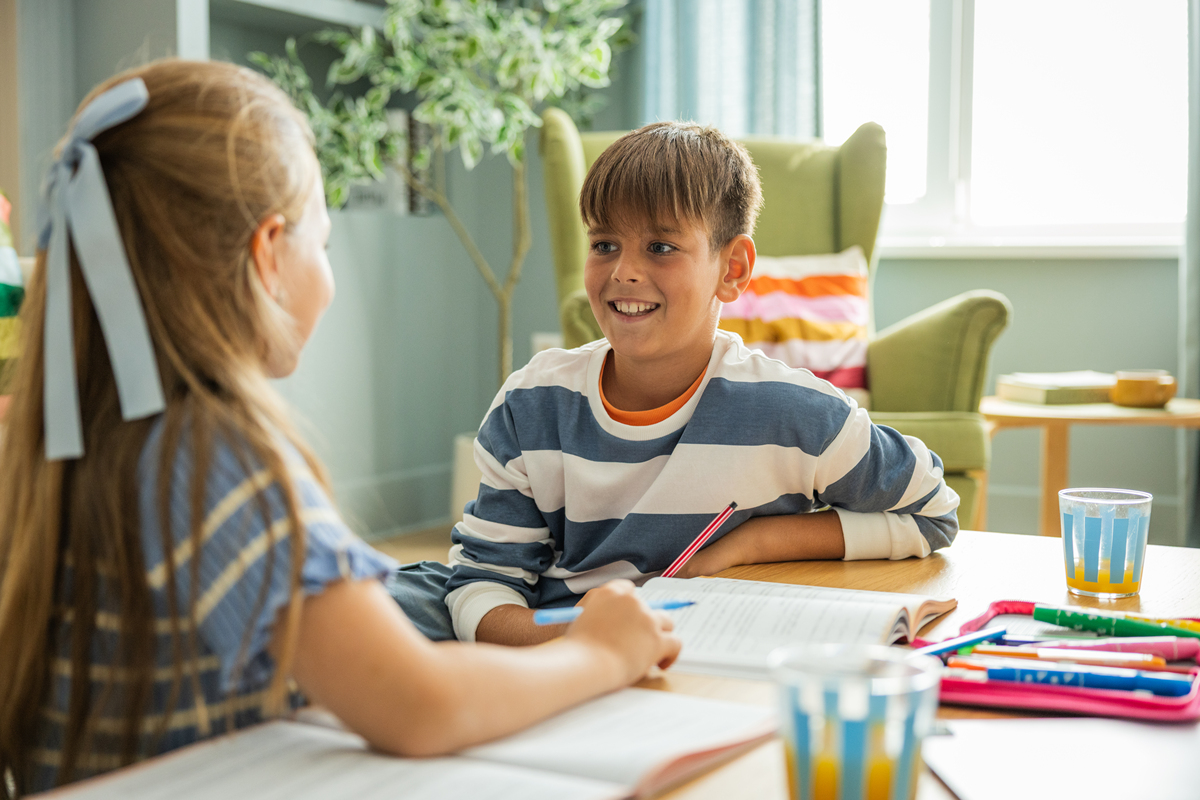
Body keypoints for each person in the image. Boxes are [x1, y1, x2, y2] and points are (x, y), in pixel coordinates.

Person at [0, 60, 680, 795]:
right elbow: (418, 705)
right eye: (319, 244)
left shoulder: (56, 440)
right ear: (267, 254)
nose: (324, 274)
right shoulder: (210, 456)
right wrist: (601, 654)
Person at [447, 121, 960, 646]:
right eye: (604, 243)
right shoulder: (531, 403)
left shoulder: (791, 412)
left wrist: (753, 541)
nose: (623, 271)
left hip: (710, 657)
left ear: (732, 269)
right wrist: (590, 643)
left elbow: (932, 512)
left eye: (660, 247)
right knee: (404, 600)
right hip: (562, 651)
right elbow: (480, 588)